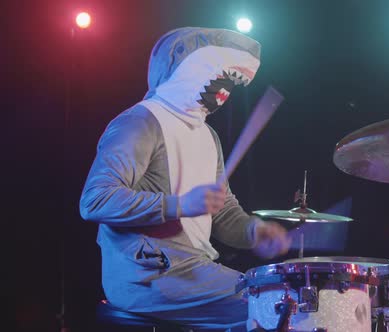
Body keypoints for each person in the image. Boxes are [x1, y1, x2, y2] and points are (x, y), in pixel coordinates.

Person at [79, 27, 291, 331]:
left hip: (192, 269)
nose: (226, 87)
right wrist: (179, 204)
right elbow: (95, 200)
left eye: (231, 81)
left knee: (283, 298)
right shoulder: (140, 122)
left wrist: (255, 231)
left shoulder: (208, 135)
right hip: (147, 275)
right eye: (223, 75)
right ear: (186, 66)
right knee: (275, 304)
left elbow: (224, 214)